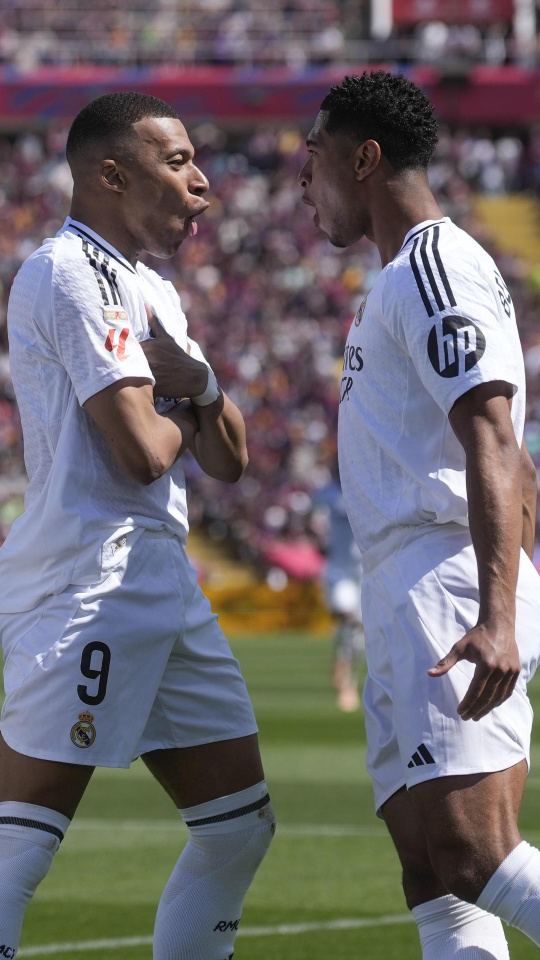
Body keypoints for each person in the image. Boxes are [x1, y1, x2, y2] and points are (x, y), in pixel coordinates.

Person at [0, 92, 275, 960]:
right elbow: (142, 453)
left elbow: (227, 457)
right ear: (113, 174)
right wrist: (186, 398)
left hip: (160, 579)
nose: (203, 185)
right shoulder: (68, 272)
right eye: (180, 162)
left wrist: (194, 388)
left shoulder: (152, 287)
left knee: (239, 829)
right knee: (20, 844)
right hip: (90, 580)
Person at [298, 71, 540, 957]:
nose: (302, 183)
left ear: (364, 158)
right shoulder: (397, 279)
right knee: (431, 871)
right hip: (407, 582)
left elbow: (493, 434)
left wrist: (500, 614)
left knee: (477, 854)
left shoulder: (436, 265)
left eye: (313, 160)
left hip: (447, 579)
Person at [314, 470, 364, 711]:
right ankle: (346, 681)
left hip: (367, 570)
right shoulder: (330, 494)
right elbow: (314, 517)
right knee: (348, 618)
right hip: (340, 570)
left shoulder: (370, 487)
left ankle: (346, 669)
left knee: (359, 630)